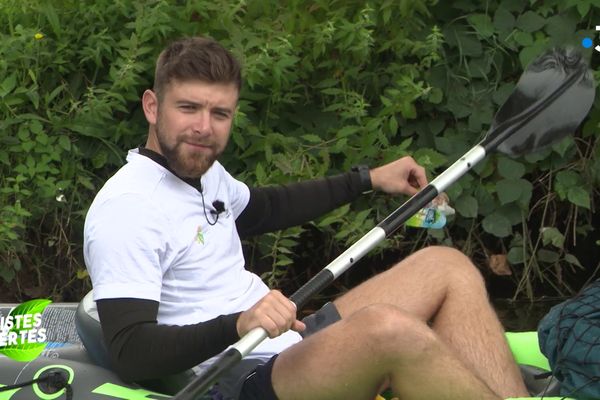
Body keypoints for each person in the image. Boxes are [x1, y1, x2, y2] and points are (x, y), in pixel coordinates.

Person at [83, 36, 529, 400]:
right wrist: (238, 323)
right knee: (387, 329)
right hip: (236, 380)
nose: (205, 127)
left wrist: (369, 179)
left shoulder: (204, 173)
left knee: (446, 266)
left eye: (220, 113)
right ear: (152, 106)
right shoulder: (128, 207)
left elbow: (265, 207)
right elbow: (131, 351)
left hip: (286, 343)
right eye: (189, 108)